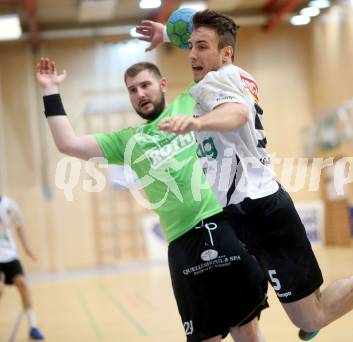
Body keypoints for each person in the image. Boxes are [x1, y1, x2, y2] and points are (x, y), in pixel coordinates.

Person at [138, 10, 353, 340]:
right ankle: (315, 307)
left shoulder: (216, 82)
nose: (191, 54)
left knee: (312, 316)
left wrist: (198, 123)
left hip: (262, 213)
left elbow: (236, 113)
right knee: (297, 314)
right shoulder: (234, 74)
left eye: (201, 47)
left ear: (226, 53)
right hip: (243, 214)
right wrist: (168, 34)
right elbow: (214, 57)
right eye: (189, 45)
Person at [35, 58, 268, 342]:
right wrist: (50, 90)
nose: (140, 94)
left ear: (163, 84)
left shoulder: (190, 102)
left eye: (145, 85)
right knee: (206, 338)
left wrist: (171, 34)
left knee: (246, 331)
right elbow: (67, 143)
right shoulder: (129, 140)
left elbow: (227, 87)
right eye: (132, 90)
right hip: (182, 244)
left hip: (221, 225)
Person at [0, 195, 45, 340]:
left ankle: (33, 327)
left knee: (23, 284)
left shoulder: (9, 205)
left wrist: (27, 248)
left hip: (9, 254)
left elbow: (19, 227)